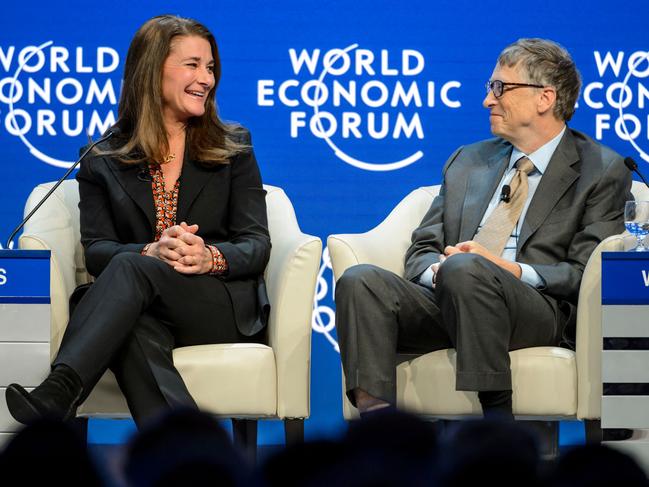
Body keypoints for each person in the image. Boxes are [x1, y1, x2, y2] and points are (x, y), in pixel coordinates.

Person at [335, 38, 632, 419]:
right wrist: (439, 271)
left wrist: (509, 270)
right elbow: (423, 247)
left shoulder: (601, 170)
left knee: (468, 268)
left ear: (545, 98)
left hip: (535, 310)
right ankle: (380, 433)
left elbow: (585, 271)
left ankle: (496, 423)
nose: (488, 100)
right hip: (452, 294)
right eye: (490, 88)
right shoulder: (468, 160)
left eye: (501, 88)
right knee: (360, 281)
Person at [5, 15, 270, 427]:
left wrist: (208, 257)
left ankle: (62, 388)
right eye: (193, 65)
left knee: (126, 272)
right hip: (136, 306)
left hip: (213, 304)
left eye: (211, 67)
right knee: (131, 323)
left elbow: (256, 243)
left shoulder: (233, 147)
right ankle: (184, 451)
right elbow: (96, 252)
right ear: (152, 70)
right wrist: (150, 250)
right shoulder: (101, 157)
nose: (207, 79)